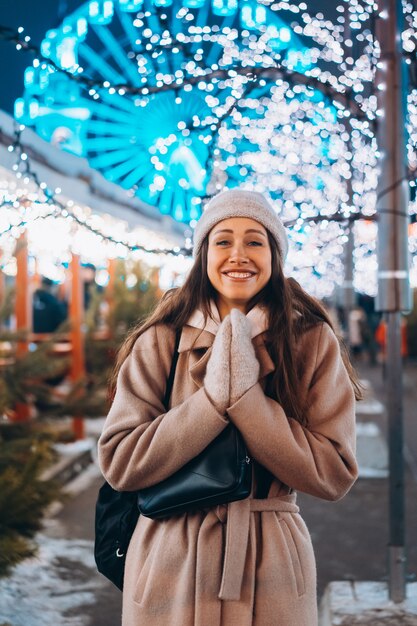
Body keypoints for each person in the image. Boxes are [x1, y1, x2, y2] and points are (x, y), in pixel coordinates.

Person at [98, 189, 360, 626]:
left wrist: (246, 401)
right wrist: (212, 402)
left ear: (275, 255)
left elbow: (333, 472)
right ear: (203, 254)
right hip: (169, 560)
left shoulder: (310, 342)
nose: (238, 254)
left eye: (255, 241)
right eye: (223, 241)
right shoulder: (161, 340)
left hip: (270, 561)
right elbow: (121, 463)